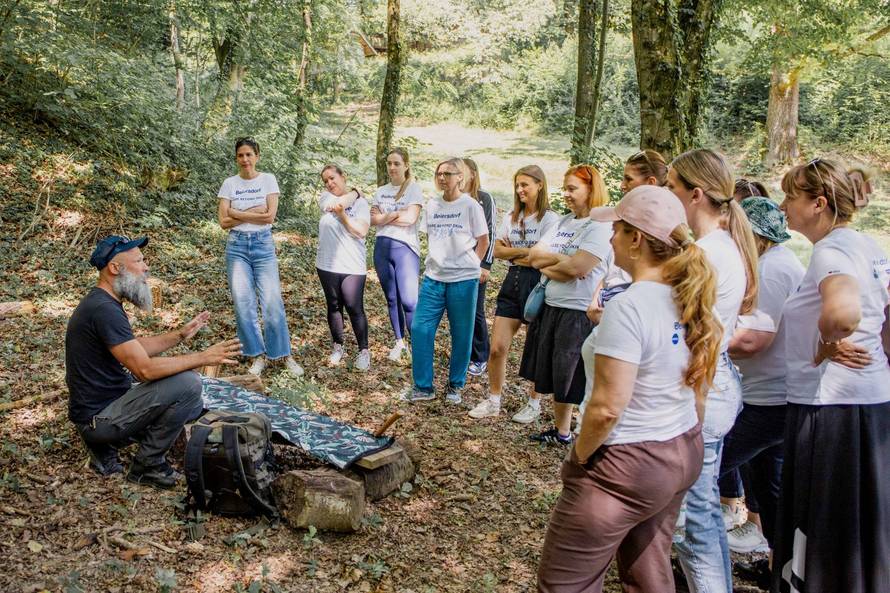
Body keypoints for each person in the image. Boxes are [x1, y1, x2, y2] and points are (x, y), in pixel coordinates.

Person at [537, 185, 723, 593]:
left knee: (565, 582)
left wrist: (579, 458)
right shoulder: (688, 297)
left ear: (636, 239)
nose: (611, 239)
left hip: (625, 463)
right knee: (647, 571)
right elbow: (700, 389)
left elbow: (607, 407)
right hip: (680, 448)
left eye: (617, 230)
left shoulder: (631, 306)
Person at [772, 159, 890, 593]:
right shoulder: (869, 245)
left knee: (818, 526)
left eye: (790, 196)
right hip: (870, 402)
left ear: (818, 203)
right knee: (858, 528)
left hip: (828, 409)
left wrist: (825, 344)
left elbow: (842, 314)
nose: (783, 206)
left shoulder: (831, 251)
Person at [66, 236, 242, 489]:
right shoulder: (103, 310)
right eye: (139, 261)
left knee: (190, 403)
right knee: (189, 385)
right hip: (98, 420)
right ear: (115, 268)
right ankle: (147, 465)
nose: (146, 267)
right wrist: (202, 357)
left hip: (102, 411)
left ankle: (107, 446)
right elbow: (144, 369)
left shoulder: (102, 303)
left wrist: (179, 335)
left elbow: (134, 347)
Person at [666, 148, 759, 593]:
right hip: (714, 384)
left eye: (671, 187)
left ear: (696, 194)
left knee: (693, 524)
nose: (667, 195)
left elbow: (682, 329)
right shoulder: (720, 245)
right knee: (701, 515)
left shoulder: (705, 254)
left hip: (702, 389)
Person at [712, 198, 804, 582]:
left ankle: (708, 569)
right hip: (770, 393)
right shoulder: (772, 263)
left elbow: (754, 340)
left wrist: (701, 339)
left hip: (770, 398)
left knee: (708, 468)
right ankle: (779, 569)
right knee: (769, 490)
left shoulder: (774, 268)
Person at [520, 165, 613, 444]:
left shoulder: (600, 226)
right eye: (565, 188)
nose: (566, 194)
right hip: (552, 306)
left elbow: (579, 267)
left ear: (591, 189)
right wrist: (560, 263)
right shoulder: (564, 222)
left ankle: (585, 434)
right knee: (555, 373)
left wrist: (555, 263)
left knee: (574, 375)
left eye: (573, 188)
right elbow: (534, 256)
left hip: (578, 311)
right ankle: (562, 432)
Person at [578, 149, 667, 422]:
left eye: (628, 178)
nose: (621, 184)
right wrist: (597, 297)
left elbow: (609, 407)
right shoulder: (630, 229)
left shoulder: (638, 300)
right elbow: (609, 268)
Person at [467, 165, 559, 420]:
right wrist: (527, 253)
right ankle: (494, 400)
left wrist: (517, 253)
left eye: (525, 185)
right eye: (517, 185)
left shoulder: (550, 219)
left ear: (540, 185)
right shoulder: (510, 217)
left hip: (538, 284)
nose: (519, 190)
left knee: (537, 348)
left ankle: (534, 403)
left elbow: (544, 259)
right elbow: (496, 251)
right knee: (497, 348)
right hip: (512, 282)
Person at [403, 158, 490, 403]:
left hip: (463, 279)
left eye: (448, 173)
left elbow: (483, 240)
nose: (442, 178)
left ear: (460, 177)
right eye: (439, 174)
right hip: (434, 277)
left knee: (461, 334)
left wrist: (473, 264)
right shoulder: (432, 205)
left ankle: (455, 385)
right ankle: (423, 387)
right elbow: (431, 237)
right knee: (420, 328)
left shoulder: (471, 205)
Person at [217, 137, 303, 377]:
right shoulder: (229, 184)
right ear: (236, 158)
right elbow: (223, 222)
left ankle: (283, 354)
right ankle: (257, 355)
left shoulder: (268, 180)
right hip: (237, 247)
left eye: (249, 155)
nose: (245, 160)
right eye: (240, 155)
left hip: (263, 246)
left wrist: (236, 211)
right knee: (243, 303)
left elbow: (269, 217)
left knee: (272, 302)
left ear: (257, 156)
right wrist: (252, 212)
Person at [370, 148, 425, 361]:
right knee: (392, 298)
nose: (392, 167)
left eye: (396, 163)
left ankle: (419, 346)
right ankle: (400, 343)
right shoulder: (381, 191)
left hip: (406, 249)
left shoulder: (413, 189)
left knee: (410, 301)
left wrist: (384, 216)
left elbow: (410, 219)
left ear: (406, 165)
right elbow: (372, 220)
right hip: (382, 248)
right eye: (389, 163)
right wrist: (394, 215)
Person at [317, 164, 371, 370]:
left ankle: (363, 351)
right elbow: (336, 204)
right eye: (326, 181)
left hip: (352, 266)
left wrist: (344, 216)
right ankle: (337, 347)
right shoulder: (325, 198)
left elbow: (361, 231)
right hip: (327, 264)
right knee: (333, 306)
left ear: (343, 176)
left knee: (354, 307)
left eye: (333, 178)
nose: (330, 183)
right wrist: (355, 192)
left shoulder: (362, 205)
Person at [463, 158, 497, 377]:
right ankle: (464, 353)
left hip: (477, 264)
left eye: (462, 172)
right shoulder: (454, 199)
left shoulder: (484, 199)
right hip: (456, 266)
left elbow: (490, 233)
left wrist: (485, 264)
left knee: (476, 310)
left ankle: (480, 356)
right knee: (460, 310)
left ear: (473, 174)